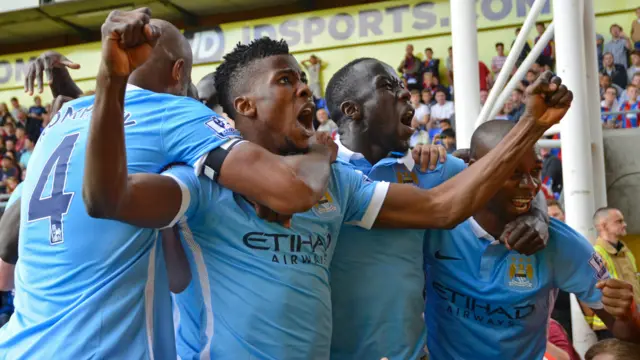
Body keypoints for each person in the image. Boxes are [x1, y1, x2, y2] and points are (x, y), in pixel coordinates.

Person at [164, 44, 567, 359]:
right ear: (351, 110)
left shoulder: (360, 178)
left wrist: (537, 208)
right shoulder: (203, 182)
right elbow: (110, 200)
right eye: (286, 80)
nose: (405, 96)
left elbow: (467, 199)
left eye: (303, 78)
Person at [0, 9, 333, 359]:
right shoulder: (175, 113)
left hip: (19, 344)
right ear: (179, 73)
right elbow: (290, 190)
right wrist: (320, 151)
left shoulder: (62, 121)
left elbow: (8, 242)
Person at [326, 61, 569, 359]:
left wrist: (536, 216)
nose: (406, 94)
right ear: (352, 110)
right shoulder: (318, 174)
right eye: (389, 86)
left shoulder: (431, 169)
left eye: (403, 85)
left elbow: (511, 184)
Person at [422, 120, 640, 360]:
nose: (530, 186)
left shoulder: (562, 243)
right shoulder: (435, 227)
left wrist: (628, 313)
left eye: (535, 171)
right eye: (514, 173)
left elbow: (624, 329)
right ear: (476, 170)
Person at [586, 207, 640, 341]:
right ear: (603, 226)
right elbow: (591, 292)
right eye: (619, 221)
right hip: (612, 325)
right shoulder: (595, 255)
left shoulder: (625, 252)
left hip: (632, 319)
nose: (624, 224)